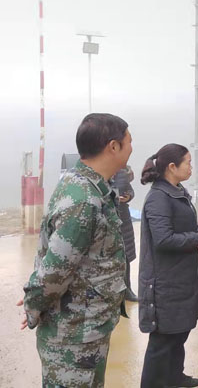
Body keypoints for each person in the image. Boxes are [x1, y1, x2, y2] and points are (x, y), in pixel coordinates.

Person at [19, 113, 132, 388]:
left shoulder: (89, 185)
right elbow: (54, 273)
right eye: (129, 142)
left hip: (87, 328)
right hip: (73, 337)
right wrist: (33, 306)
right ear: (113, 146)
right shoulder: (83, 200)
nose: (132, 148)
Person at [138, 144, 198, 388]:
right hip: (164, 281)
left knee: (179, 333)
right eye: (188, 162)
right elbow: (163, 239)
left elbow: (181, 225)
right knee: (163, 341)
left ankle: (174, 377)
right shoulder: (159, 197)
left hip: (181, 276)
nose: (191, 167)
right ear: (172, 167)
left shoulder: (177, 191)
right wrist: (196, 238)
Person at [112, 165, 137, 301]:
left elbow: (130, 190)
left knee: (126, 255)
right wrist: (116, 197)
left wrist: (128, 196)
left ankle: (127, 290)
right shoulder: (103, 171)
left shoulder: (122, 172)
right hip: (110, 216)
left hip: (124, 216)